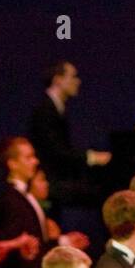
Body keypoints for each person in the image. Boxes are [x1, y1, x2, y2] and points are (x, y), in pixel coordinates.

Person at [28, 61, 111, 212]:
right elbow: (56, 152)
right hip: (52, 182)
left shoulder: (55, 108)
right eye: (73, 76)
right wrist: (92, 157)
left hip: (57, 179)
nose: (77, 81)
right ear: (58, 80)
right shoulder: (45, 110)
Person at [0, 137, 46, 268]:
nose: (36, 161)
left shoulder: (23, 196)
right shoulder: (10, 200)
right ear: (13, 164)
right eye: (29, 157)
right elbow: (11, 243)